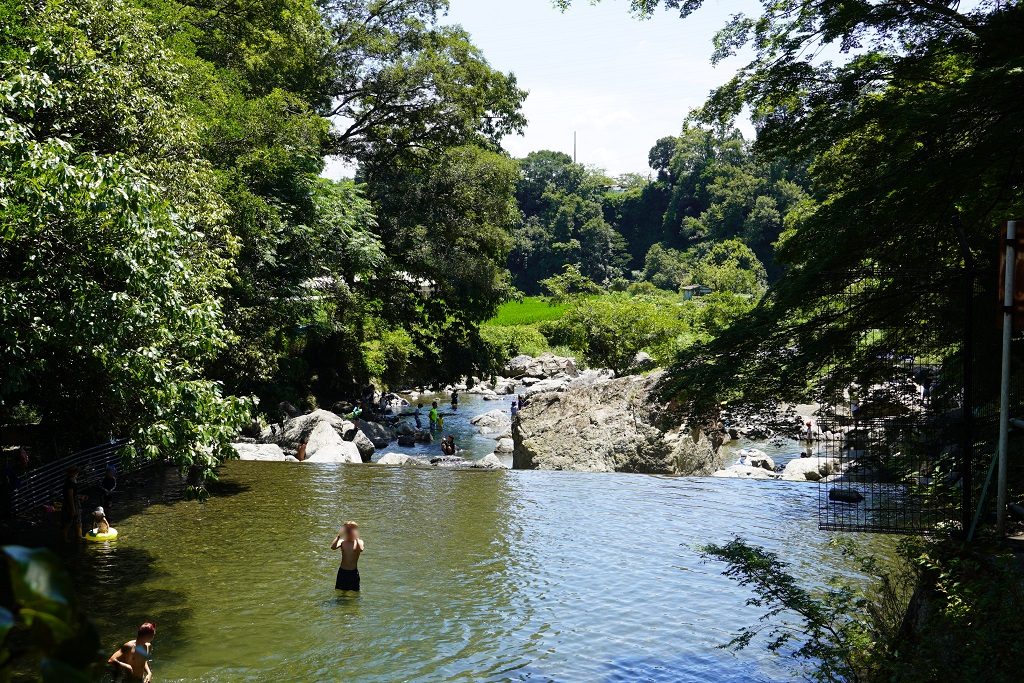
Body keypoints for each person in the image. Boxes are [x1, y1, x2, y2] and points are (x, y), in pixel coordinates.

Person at [331, 521, 364, 591]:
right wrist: (339, 535)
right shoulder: (342, 541)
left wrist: (356, 537)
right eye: (348, 529)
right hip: (342, 572)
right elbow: (333, 547)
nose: (349, 531)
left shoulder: (359, 542)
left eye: (352, 529)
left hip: (353, 572)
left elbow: (361, 549)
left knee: (354, 593)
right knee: (339, 592)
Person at [61, 466, 83, 541]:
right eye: (76, 472)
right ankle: (65, 540)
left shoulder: (71, 481)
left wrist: (80, 497)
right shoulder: (70, 483)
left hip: (72, 504)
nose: (77, 474)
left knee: (74, 522)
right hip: (71, 505)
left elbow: (73, 495)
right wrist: (73, 508)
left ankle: (78, 537)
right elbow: (70, 496)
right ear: (73, 473)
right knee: (68, 523)